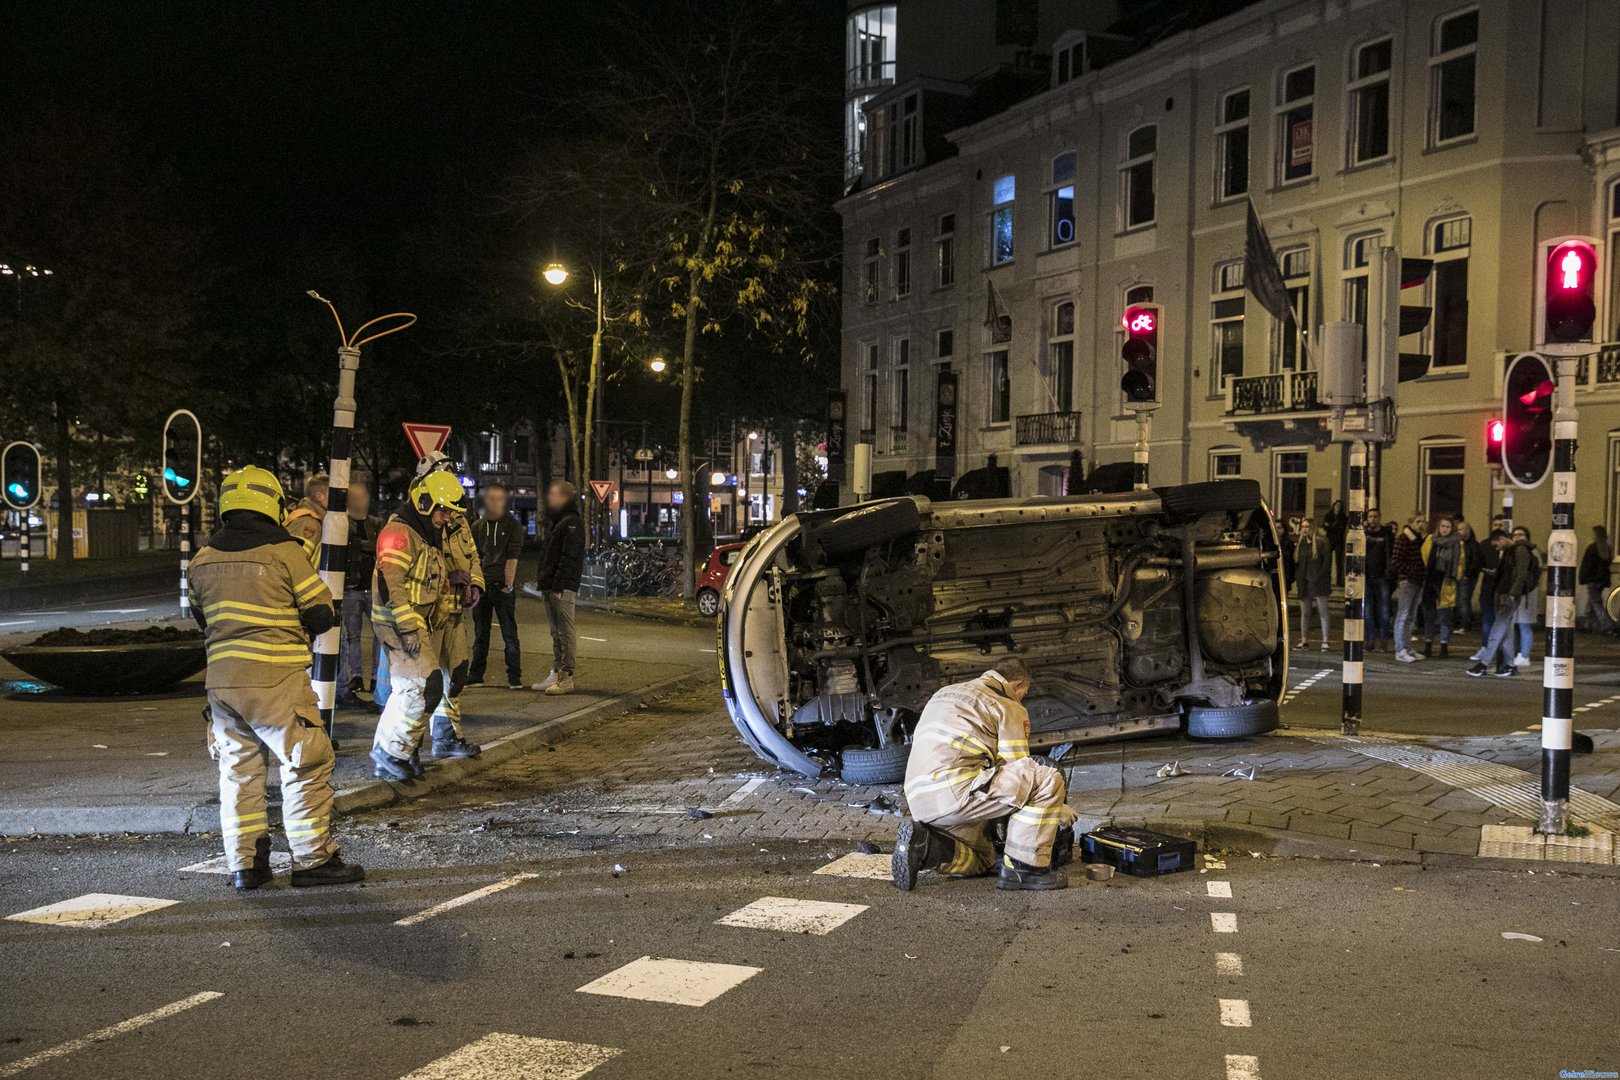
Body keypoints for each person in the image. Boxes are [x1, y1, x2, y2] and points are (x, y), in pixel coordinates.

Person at [187, 466, 363, 890]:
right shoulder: (284, 553)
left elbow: (200, 618)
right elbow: (321, 615)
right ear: (272, 505)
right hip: (276, 679)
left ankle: (246, 865)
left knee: (239, 772)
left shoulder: (202, 559)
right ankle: (312, 859)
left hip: (222, 683)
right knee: (305, 763)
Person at [892, 658, 1077, 892]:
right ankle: (1024, 869)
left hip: (921, 801)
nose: (1021, 699)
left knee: (983, 859)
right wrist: (1056, 808)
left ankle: (926, 846)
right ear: (1016, 685)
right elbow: (1020, 769)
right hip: (956, 793)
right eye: (1024, 694)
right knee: (1046, 777)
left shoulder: (944, 692)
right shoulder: (1005, 703)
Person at [370, 471, 480, 781]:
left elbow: (425, 578)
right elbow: (390, 583)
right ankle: (390, 752)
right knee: (422, 686)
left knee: (416, 688)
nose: (447, 518)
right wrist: (407, 627)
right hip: (400, 621)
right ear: (424, 502)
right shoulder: (400, 534)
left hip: (414, 620)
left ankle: (395, 753)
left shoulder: (425, 532)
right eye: (443, 510)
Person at [469, 482, 526, 689]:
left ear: (504, 501)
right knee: (480, 632)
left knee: (509, 633)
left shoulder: (513, 526)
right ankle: (476, 675)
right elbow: (474, 557)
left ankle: (514, 677)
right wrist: (475, 584)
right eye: (490, 498)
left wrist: (508, 585)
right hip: (482, 586)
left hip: (502, 586)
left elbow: (513, 557)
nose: (494, 502)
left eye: (498, 498)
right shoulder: (477, 526)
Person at [531, 479, 584, 695]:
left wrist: (559, 585)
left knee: (564, 631)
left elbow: (568, 557)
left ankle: (566, 676)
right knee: (556, 632)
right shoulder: (559, 521)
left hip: (560, 587)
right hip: (552, 585)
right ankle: (555, 671)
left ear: (563, 497)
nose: (549, 499)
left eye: (553, 495)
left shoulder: (571, 523)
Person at [336, 484, 382, 709]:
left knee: (380, 634)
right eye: (354, 497)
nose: (358, 501)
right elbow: (347, 548)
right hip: (351, 588)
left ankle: (375, 677)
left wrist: (362, 545)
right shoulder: (342, 524)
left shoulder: (376, 523)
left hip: (371, 588)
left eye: (362, 496)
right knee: (351, 636)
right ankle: (355, 676)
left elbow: (378, 548)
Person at [1469, 527, 1534, 678]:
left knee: (1497, 629)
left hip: (1509, 595)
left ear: (1503, 539)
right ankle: (1510, 666)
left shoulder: (1519, 550)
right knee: (1505, 631)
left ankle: (1483, 664)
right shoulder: (1510, 551)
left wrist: (1514, 592)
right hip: (1504, 594)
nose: (1495, 547)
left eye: (1496, 544)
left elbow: (1521, 572)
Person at [1419, 516, 1461, 659]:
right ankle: (1428, 645)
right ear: (1438, 527)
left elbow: (1459, 563)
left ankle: (1444, 647)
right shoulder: (1431, 539)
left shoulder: (1456, 543)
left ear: (1452, 529)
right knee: (1429, 615)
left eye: (1448, 527)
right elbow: (1423, 556)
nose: (1445, 529)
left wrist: (1455, 577)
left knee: (1444, 617)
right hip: (1430, 580)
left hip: (1446, 581)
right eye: (1443, 526)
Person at [1391, 514, 1428, 662]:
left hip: (1418, 581)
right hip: (1408, 581)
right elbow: (1395, 561)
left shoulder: (1418, 540)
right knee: (1403, 615)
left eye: (1422, 521)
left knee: (1410, 617)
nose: (1421, 524)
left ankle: (1407, 648)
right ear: (1411, 523)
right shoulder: (1404, 539)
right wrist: (1411, 571)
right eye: (1417, 521)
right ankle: (1400, 650)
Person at [1293, 517, 1332, 650]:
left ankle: (1325, 640)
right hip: (1304, 582)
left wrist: (1319, 577)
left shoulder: (1321, 543)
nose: (1304, 529)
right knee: (1305, 612)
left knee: (1323, 611)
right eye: (1303, 527)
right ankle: (1304, 640)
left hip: (1318, 581)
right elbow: (1297, 563)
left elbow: (1327, 563)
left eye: (1307, 527)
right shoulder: (1301, 544)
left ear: (1313, 528)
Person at [1363, 508, 1394, 653]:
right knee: (1367, 610)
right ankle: (1370, 640)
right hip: (1367, 576)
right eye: (1370, 517)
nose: (1373, 519)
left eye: (1375, 516)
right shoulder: (1364, 533)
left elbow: (1390, 554)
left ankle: (1383, 641)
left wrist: (1389, 573)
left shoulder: (1386, 534)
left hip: (1381, 576)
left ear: (1380, 518)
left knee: (1383, 610)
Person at [283, 473, 329, 570]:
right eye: (332, 494)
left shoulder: (315, 520)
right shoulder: (308, 522)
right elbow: (295, 564)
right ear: (320, 497)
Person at [1514, 529, 1542, 667]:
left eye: (1521, 535)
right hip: (1518, 592)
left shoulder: (1531, 552)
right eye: (1515, 535)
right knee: (1517, 625)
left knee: (1524, 624)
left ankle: (1524, 655)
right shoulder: (1515, 551)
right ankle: (1519, 653)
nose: (1518, 537)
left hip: (1527, 593)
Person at [1578, 525, 1614, 632]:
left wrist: (1583, 577)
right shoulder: (1607, 549)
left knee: (1596, 603)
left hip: (1592, 579)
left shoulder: (1592, 548)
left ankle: (1607, 625)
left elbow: (1587, 565)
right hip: (1602, 580)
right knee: (1592, 602)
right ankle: (1586, 624)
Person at [1453, 519, 1481, 633]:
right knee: (1460, 600)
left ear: (1467, 531)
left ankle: (1465, 625)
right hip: (1459, 575)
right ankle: (1461, 622)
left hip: (1467, 576)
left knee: (1464, 600)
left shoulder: (1473, 545)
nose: (1458, 532)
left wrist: (1467, 574)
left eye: (1460, 529)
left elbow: (1475, 561)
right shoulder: (1459, 544)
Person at [1323, 499, 1348, 587]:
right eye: (1336, 505)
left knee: (1339, 561)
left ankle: (1339, 580)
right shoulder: (1328, 515)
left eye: (1339, 506)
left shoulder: (1343, 517)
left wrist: (1331, 526)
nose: (1337, 507)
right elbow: (1325, 527)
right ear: (1333, 506)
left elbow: (1342, 529)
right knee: (1328, 560)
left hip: (1338, 540)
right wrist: (1334, 526)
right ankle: (1327, 579)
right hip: (1329, 539)